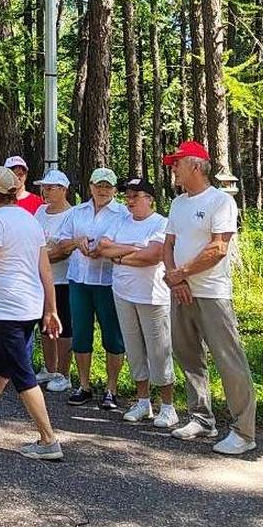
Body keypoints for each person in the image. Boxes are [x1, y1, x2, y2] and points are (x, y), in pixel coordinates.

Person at [0, 167, 64, 461]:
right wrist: (50, 308)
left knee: (21, 371)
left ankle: (48, 439)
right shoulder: (30, 221)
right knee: (4, 362)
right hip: (30, 305)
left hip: (8, 307)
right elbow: (45, 271)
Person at [162, 140, 257, 456]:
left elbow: (218, 248)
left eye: (177, 163)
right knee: (188, 355)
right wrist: (174, 279)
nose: (173, 168)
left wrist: (180, 274)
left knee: (228, 360)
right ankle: (202, 418)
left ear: (194, 165)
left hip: (212, 293)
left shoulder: (220, 202)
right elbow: (168, 245)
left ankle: (244, 432)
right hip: (181, 292)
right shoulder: (178, 204)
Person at [97, 178, 178, 427]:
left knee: (159, 350)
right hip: (123, 293)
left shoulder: (160, 223)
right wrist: (132, 249)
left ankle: (168, 406)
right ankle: (143, 402)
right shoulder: (120, 221)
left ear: (150, 198)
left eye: (135, 196)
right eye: (127, 196)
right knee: (134, 349)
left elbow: (153, 256)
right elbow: (103, 248)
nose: (129, 201)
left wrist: (120, 257)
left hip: (152, 297)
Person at [56, 167, 128, 410]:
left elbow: (126, 244)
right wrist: (77, 243)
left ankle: (111, 389)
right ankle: (84, 385)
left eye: (108, 186)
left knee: (112, 334)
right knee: (81, 332)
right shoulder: (77, 212)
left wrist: (105, 250)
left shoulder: (122, 214)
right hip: (79, 278)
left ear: (115, 189)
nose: (103, 190)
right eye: (99, 185)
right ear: (90, 186)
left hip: (107, 280)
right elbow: (62, 242)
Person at [33, 169, 74, 393]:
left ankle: (64, 373)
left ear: (63, 190)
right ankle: (49, 368)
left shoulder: (71, 214)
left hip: (62, 279)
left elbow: (63, 250)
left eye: (50, 188)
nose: (45, 192)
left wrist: (37, 255)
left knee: (63, 327)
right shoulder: (40, 211)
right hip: (40, 278)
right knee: (45, 325)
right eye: (44, 187)